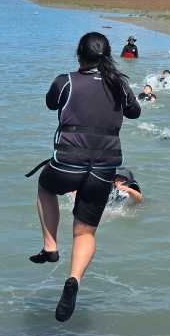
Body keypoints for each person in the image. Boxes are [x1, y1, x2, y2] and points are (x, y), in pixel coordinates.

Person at [25, 32, 141, 321]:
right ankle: (74, 279)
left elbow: (52, 104)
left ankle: (50, 246)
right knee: (85, 232)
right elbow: (135, 112)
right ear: (108, 55)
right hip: (103, 168)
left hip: (67, 163)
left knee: (45, 186)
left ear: (79, 54)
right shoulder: (120, 84)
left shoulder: (65, 81)